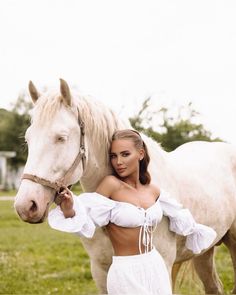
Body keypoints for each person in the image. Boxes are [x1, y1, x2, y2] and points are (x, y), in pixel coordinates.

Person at [48, 129, 217, 295]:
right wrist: (69, 207)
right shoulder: (110, 185)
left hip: (155, 266)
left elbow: (178, 213)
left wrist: (196, 231)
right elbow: (86, 215)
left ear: (141, 154)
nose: (118, 162)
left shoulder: (153, 190)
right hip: (125, 271)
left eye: (125, 154)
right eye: (114, 156)